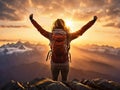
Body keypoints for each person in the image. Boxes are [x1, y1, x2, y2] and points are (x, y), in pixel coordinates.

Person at [29, 14, 97, 81]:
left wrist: (32, 20)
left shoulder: (50, 35)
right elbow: (82, 30)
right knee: (64, 81)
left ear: (54, 26)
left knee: (54, 81)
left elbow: (40, 29)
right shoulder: (68, 36)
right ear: (64, 26)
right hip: (65, 63)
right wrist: (93, 21)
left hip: (54, 62)